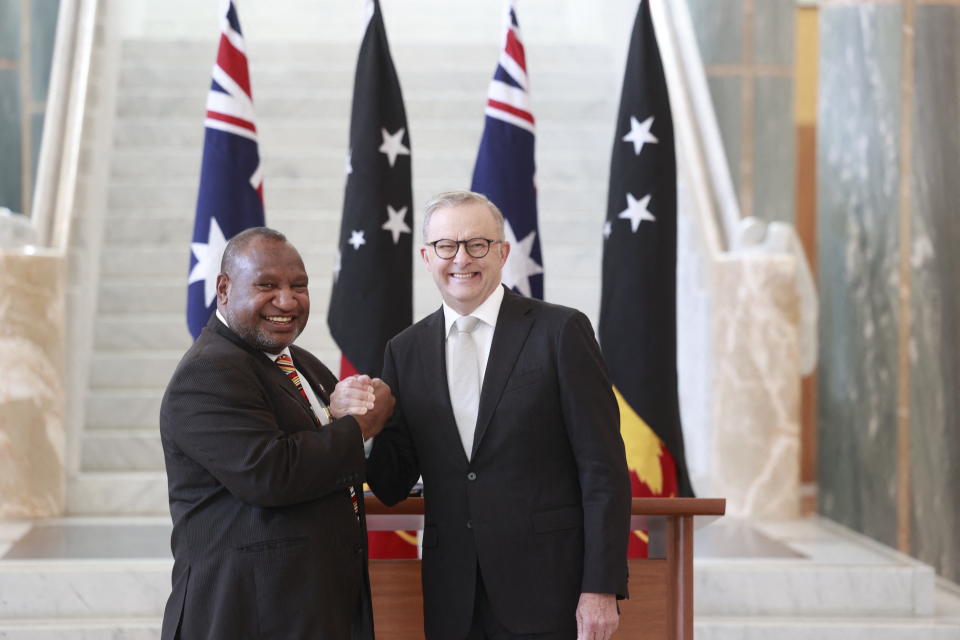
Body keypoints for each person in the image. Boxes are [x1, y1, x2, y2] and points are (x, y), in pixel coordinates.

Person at [364, 191, 632, 639]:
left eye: (477, 244)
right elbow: (392, 484)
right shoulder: (405, 350)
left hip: (551, 591)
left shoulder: (561, 332)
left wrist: (601, 588)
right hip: (453, 596)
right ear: (427, 257)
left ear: (503, 252)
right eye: (446, 245)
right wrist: (364, 431)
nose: (461, 258)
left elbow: (602, 469)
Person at [159, 227, 393, 640]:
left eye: (298, 286)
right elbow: (270, 474)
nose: (287, 301)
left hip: (309, 605)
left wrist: (348, 413)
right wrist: (358, 429)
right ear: (224, 289)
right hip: (248, 615)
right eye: (267, 285)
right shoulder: (209, 371)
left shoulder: (298, 361)